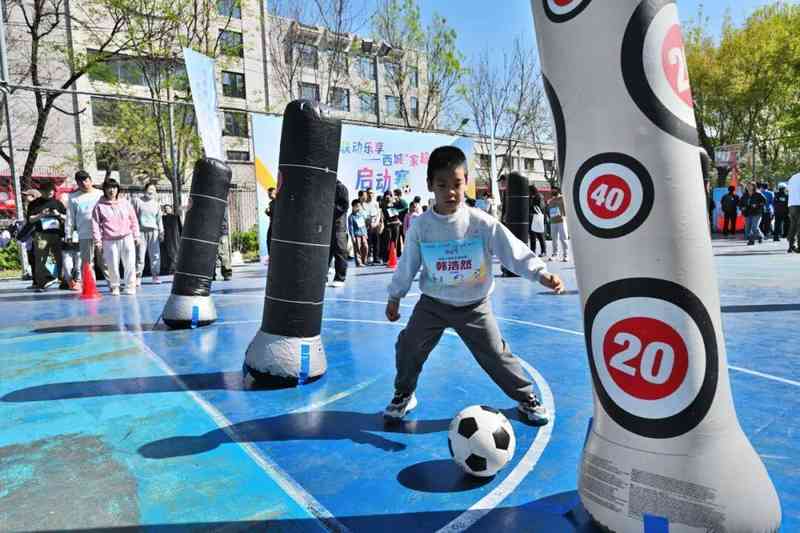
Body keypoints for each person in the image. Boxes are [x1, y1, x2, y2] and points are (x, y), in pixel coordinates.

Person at [383, 146, 564, 425]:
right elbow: (408, 263)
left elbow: (511, 249)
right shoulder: (421, 226)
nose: (450, 192)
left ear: (465, 182)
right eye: (442, 185)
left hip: (474, 306)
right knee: (409, 345)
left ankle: (526, 397)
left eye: (457, 184)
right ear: (430, 185)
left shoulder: (480, 222)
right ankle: (404, 393)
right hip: (433, 304)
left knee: (496, 354)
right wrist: (395, 296)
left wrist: (540, 273)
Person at [92, 179, 140, 295]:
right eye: (108, 188)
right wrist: (98, 241)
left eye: (114, 187)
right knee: (112, 264)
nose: (111, 190)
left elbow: (133, 219)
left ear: (118, 189)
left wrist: (136, 235)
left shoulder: (125, 203)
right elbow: (95, 224)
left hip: (127, 237)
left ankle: (130, 286)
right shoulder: (99, 206)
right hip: (109, 240)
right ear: (104, 190)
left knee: (130, 263)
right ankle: (115, 286)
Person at [26, 181, 66, 292]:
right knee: (41, 258)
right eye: (47, 190)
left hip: (57, 234)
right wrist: (41, 214)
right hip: (41, 235)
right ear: (41, 191)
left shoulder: (58, 203)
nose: (50, 192)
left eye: (52, 190)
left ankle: (64, 280)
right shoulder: (34, 204)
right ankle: (41, 282)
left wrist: (58, 214)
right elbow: (30, 219)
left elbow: (66, 217)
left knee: (61, 258)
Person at [133, 181, 164, 284]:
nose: (151, 191)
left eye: (153, 190)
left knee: (155, 255)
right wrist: (135, 233)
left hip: (154, 232)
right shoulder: (137, 201)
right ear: (145, 190)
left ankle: (155, 276)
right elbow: (133, 217)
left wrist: (161, 232)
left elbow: (159, 219)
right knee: (140, 256)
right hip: (141, 232)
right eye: (149, 189)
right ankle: (138, 277)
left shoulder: (156, 204)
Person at [328, 179, 349, 287]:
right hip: (327, 225)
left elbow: (344, 205)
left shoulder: (340, 187)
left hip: (338, 226)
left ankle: (340, 278)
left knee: (340, 252)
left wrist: (329, 208)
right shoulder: (326, 187)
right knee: (327, 252)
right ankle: (323, 277)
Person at [547, 186, 569, 261]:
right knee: (554, 239)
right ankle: (554, 254)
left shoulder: (563, 198)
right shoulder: (551, 200)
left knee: (563, 239)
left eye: (553, 189)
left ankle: (566, 255)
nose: (552, 191)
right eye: (551, 190)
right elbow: (549, 211)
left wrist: (565, 217)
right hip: (553, 222)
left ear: (557, 190)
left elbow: (567, 208)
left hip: (561, 221)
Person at [362, 188, 382, 264]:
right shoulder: (364, 203)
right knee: (368, 242)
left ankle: (376, 258)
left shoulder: (376, 203)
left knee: (376, 242)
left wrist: (376, 223)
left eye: (371, 193)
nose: (370, 194)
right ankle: (368, 257)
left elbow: (378, 214)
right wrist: (367, 222)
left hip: (375, 224)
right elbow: (363, 215)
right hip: (367, 225)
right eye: (369, 193)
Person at [348, 199, 368, 267]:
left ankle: (364, 261)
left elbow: (364, 225)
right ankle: (359, 263)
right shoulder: (351, 217)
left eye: (359, 206)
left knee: (365, 247)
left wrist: (366, 233)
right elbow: (351, 228)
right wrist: (352, 236)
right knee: (357, 248)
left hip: (363, 234)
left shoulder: (361, 215)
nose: (358, 207)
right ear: (353, 207)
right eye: (356, 206)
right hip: (356, 235)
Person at [529, 185, 547, 257]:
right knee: (532, 236)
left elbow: (541, 207)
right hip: (532, 219)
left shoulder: (539, 196)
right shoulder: (531, 197)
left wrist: (532, 208)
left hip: (538, 219)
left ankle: (543, 251)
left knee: (540, 236)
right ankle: (532, 251)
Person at [217, 207, 233, 280]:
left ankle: (227, 273)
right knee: (212, 254)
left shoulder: (221, 204)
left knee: (223, 253)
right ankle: (212, 274)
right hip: (215, 231)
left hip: (221, 232)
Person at [787, 171, 800, 253]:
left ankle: (791, 245)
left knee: (793, 226)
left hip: (792, 204)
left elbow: (788, 190)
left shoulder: (792, 177)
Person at [265, 187, 276, 255]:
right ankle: (271, 255)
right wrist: (267, 212)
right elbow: (272, 214)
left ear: (274, 193)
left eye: (270, 194)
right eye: (268, 194)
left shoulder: (278, 202)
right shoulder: (271, 203)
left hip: (277, 225)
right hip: (272, 224)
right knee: (269, 239)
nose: (268, 195)